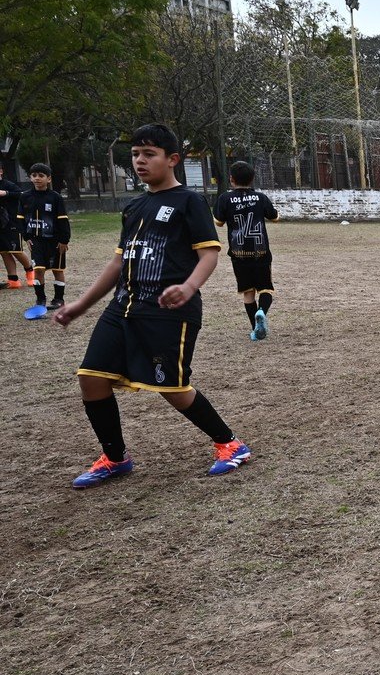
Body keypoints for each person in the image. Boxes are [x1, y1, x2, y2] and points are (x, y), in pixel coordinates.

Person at [53, 124, 251, 488]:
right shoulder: (133, 207)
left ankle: (230, 443)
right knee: (92, 378)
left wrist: (189, 287)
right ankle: (115, 458)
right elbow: (118, 263)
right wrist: (79, 305)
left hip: (169, 311)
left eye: (149, 154)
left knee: (172, 387)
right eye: (135, 154)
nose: (140, 161)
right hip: (124, 307)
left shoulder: (189, 201)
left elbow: (209, 253)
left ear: (172, 159)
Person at [212, 160, 281, 340]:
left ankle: (255, 329)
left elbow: (218, 222)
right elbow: (275, 217)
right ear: (252, 179)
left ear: (231, 179)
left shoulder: (225, 198)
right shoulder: (260, 198)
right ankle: (262, 312)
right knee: (266, 289)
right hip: (261, 252)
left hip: (239, 254)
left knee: (248, 293)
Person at [20, 163, 69, 311]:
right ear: (30, 178)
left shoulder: (55, 198)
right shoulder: (25, 197)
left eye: (41, 176)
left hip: (55, 241)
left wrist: (64, 240)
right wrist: (26, 236)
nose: (37, 178)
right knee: (39, 269)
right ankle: (40, 299)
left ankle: (59, 299)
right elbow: (20, 218)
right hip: (36, 240)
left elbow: (62, 219)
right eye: (34, 175)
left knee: (57, 269)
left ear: (48, 179)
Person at [0, 168, 36, 290]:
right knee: (4, 251)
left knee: (16, 250)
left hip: (12, 222)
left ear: (1, 171)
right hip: (0, 225)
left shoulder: (8, 185)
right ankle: (13, 279)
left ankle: (30, 272)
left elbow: (22, 194)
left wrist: (6, 193)